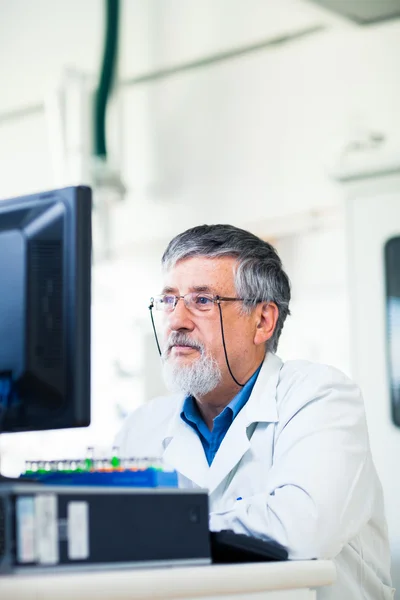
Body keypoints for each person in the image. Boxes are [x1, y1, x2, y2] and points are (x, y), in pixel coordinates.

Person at [115, 224, 393, 599]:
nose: (176, 320)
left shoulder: (320, 396)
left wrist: (158, 530)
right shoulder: (142, 426)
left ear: (262, 321)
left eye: (202, 301)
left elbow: (303, 530)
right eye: (168, 300)